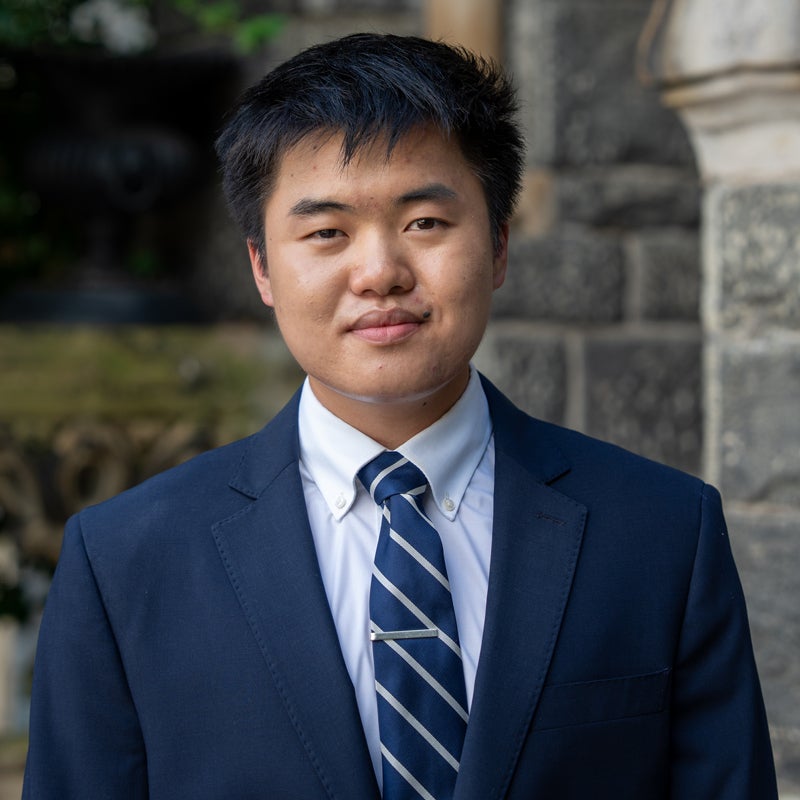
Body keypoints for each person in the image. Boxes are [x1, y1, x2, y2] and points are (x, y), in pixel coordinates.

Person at [23, 33, 777, 800]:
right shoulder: (126, 561)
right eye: (327, 233)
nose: (380, 271)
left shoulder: (662, 534)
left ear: (499, 245)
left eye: (425, 223)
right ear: (262, 268)